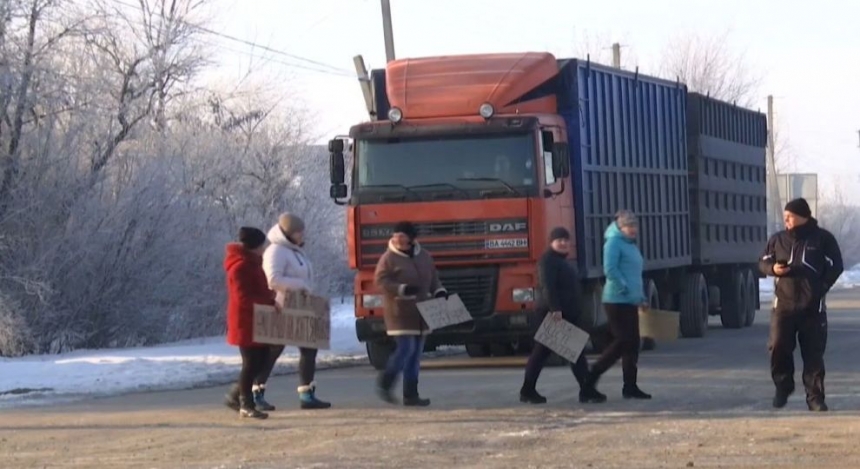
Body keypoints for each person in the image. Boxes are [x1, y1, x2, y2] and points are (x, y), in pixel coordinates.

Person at [759, 198, 843, 411]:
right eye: (784, 217)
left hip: (812, 307)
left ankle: (815, 398)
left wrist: (821, 287)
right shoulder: (778, 239)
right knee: (778, 346)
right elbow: (763, 261)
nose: (785, 220)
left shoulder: (823, 239)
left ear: (802, 216)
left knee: (813, 354)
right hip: (784, 306)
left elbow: (836, 265)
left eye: (790, 217)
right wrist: (773, 270)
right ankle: (783, 386)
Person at [519, 227, 607, 405]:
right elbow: (547, 287)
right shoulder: (548, 261)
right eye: (559, 240)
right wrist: (556, 309)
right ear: (551, 242)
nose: (564, 243)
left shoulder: (561, 261)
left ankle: (528, 390)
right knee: (574, 353)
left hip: (561, 314)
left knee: (545, 354)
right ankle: (587, 390)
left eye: (566, 240)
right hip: (553, 315)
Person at [260, 212, 331, 410]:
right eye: (299, 233)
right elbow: (272, 279)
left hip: (301, 305)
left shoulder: (295, 250)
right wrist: (300, 284)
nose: (302, 236)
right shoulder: (276, 251)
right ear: (287, 233)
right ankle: (255, 391)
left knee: (309, 348)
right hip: (284, 306)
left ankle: (306, 394)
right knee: (273, 350)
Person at [374, 221, 447, 406]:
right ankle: (385, 383)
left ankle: (411, 394)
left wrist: (439, 290)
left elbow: (433, 278)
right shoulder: (388, 258)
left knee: (416, 355)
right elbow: (380, 281)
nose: (397, 238)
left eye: (402, 235)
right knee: (407, 349)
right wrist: (401, 289)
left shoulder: (424, 256)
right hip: (400, 312)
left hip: (422, 313)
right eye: (395, 235)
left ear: (411, 238)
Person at [584, 210, 652, 400]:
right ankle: (592, 374)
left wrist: (641, 297)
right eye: (629, 226)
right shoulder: (613, 243)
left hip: (631, 300)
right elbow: (611, 270)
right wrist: (626, 290)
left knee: (633, 344)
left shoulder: (631, 246)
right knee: (622, 341)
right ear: (620, 227)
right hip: (616, 300)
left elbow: (635, 276)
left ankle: (630, 386)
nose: (633, 229)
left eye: (635, 226)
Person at [223, 227, 275, 419]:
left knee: (261, 360)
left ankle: (236, 396)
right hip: (245, 321)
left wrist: (270, 298)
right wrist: (267, 303)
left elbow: (259, 290)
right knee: (251, 363)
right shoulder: (240, 267)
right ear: (254, 246)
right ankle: (245, 403)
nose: (264, 248)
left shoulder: (253, 264)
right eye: (262, 245)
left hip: (256, 319)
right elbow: (243, 298)